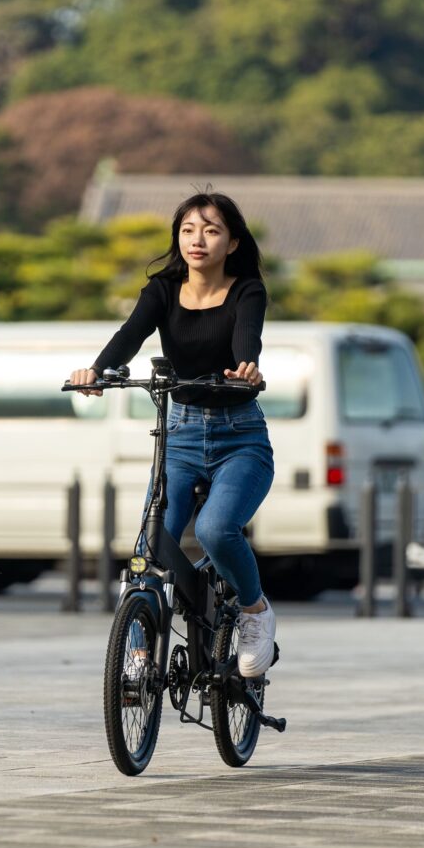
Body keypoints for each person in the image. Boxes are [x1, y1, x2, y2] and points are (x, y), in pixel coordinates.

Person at [70, 191, 276, 678]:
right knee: (149, 544)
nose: (197, 240)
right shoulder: (162, 289)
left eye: (211, 230)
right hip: (179, 435)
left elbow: (249, 337)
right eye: (187, 230)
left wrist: (247, 368)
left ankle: (254, 611)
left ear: (232, 241)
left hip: (240, 438)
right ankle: (140, 650)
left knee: (214, 530)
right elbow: (130, 334)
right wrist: (98, 370)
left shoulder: (248, 290)